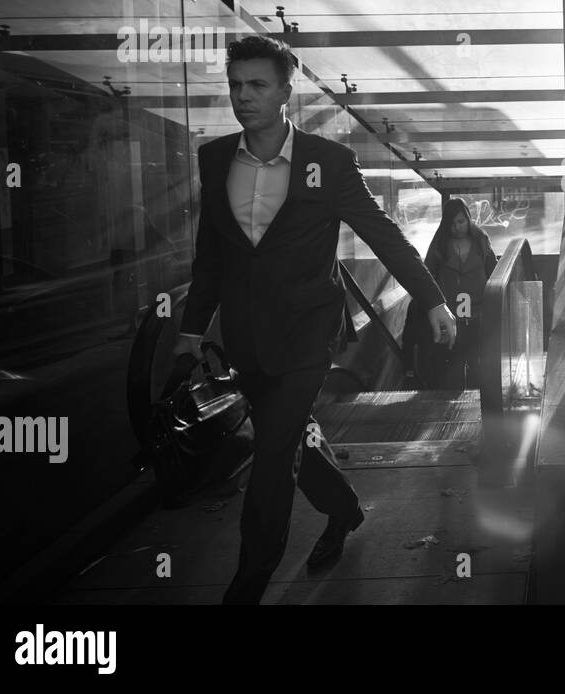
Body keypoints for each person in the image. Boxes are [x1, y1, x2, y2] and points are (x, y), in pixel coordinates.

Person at [172, 35, 458, 605]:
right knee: (290, 438)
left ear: (285, 91)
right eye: (235, 85)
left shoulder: (327, 163)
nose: (243, 97)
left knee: (273, 453)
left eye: (257, 85)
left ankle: (247, 584)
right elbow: (212, 257)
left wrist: (432, 298)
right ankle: (346, 511)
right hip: (247, 340)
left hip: (307, 336)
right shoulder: (214, 158)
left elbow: (383, 235)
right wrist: (188, 332)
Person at [422, 198, 498, 391]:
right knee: (452, 363)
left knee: (477, 362)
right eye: (452, 223)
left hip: (478, 312)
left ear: (468, 219)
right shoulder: (439, 244)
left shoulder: (481, 240)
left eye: (461, 221)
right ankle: (452, 400)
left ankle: (476, 399)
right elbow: (427, 275)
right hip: (450, 315)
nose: (457, 227)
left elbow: (495, 272)